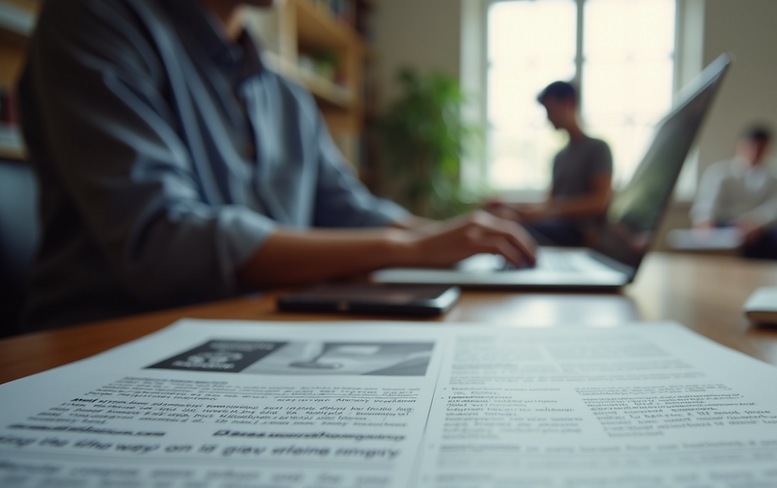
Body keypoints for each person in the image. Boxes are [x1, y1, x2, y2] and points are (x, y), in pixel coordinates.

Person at [17, 0, 536, 331]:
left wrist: (452, 237)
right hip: (113, 341)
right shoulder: (94, 20)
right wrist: (411, 246)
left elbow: (350, 209)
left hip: (262, 326)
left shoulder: (285, 95)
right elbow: (162, 238)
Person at [487, 81, 613, 247]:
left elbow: (600, 201)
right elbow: (548, 204)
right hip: (554, 226)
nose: (548, 118)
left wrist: (550, 210)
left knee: (507, 232)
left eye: (550, 110)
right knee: (501, 218)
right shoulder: (560, 157)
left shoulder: (597, 148)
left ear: (568, 102)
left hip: (577, 233)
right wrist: (511, 207)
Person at [689, 125, 777, 262]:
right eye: (752, 146)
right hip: (727, 225)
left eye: (761, 147)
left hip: (766, 228)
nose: (755, 151)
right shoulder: (719, 172)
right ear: (741, 145)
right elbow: (707, 203)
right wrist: (704, 220)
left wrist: (756, 222)